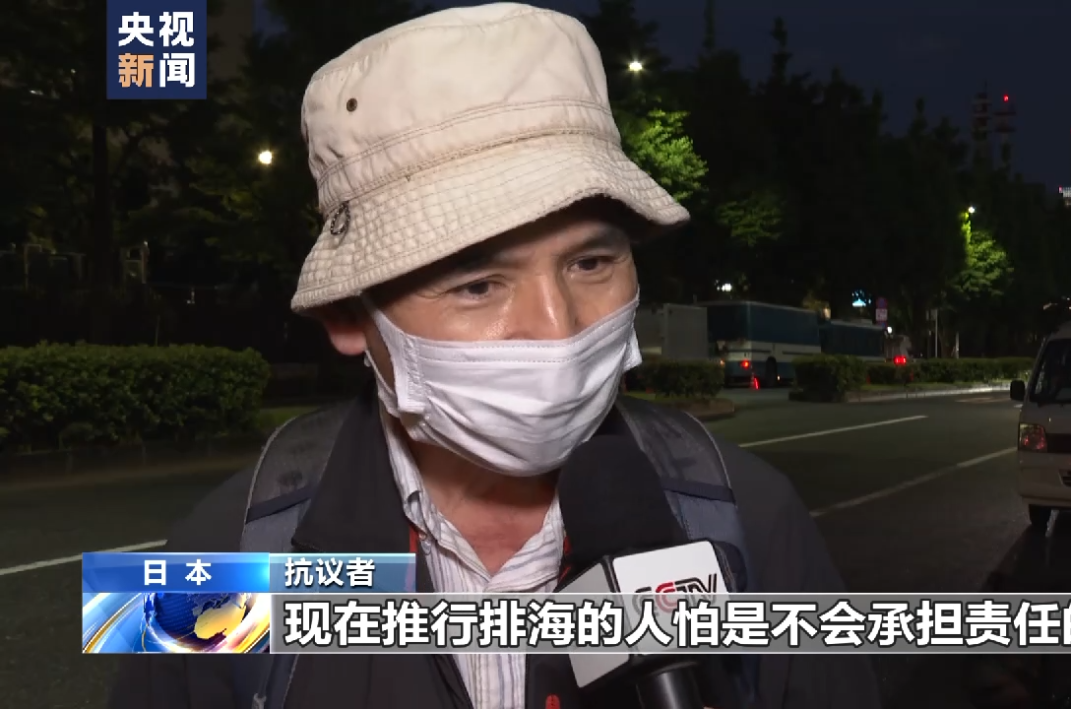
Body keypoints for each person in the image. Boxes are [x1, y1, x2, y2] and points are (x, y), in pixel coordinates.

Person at [107, 4, 881, 708]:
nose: (556, 324)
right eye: (477, 284)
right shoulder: (219, 557)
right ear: (349, 314)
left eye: (591, 262)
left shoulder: (749, 519)